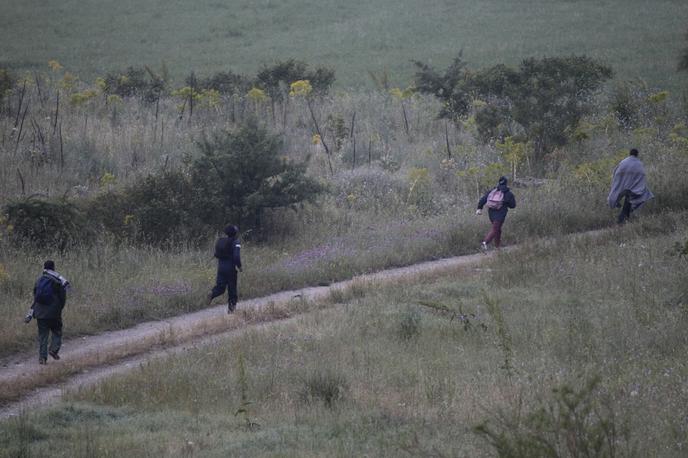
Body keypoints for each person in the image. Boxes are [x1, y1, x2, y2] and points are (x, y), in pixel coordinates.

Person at [24, 260, 70, 365]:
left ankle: (42, 358)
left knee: (43, 336)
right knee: (57, 331)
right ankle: (53, 349)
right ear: (53, 268)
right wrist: (59, 309)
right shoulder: (58, 281)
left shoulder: (39, 280)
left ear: (44, 268)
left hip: (40, 313)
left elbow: (35, 296)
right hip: (54, 312)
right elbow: (62, 298)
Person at [607, 148, 653, 224]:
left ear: (630, 153)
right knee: (631, 200)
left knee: (626, 200)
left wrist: (617, 182)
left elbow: (616, 171)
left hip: (623, 183)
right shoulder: (639, 163)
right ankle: (621, 220)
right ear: (637, 154)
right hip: (634, 186)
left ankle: (622, 220)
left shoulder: (624, 161)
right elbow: (642, 174)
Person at [207, 224, 242, 313]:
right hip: (230, 269)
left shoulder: (221, 241)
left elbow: (216, 254)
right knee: (232, 289)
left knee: (220, 288)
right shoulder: (236, 242)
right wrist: (239, 266)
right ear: (235, 233)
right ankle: (231, 310)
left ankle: (212, 293)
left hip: (221, 268)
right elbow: (236, 256)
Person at [476, 176, 517, 251]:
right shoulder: (508, 193)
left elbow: (483, 199)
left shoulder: (492, 191)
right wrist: (506, 203)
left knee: (498, 229)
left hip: (491, 213)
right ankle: (485, 243)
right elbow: (513, 205)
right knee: (495, 229)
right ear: (506, 183)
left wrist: (479, 208)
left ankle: (497, 248)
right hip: (500, 213)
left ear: (499, 182)